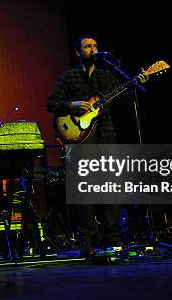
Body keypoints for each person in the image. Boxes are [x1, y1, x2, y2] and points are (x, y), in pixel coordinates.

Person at [46, 35, 122, 257]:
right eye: (88, 46)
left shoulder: (106, 77)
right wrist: (72, 104)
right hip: (80, 138)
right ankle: (87, 240)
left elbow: (121, 98)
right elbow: (51, 103)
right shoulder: (68, 77)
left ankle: (113, 238)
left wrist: (139, 80)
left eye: (96, 45)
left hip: (106, 135)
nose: (93, 49)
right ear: (78, 53)